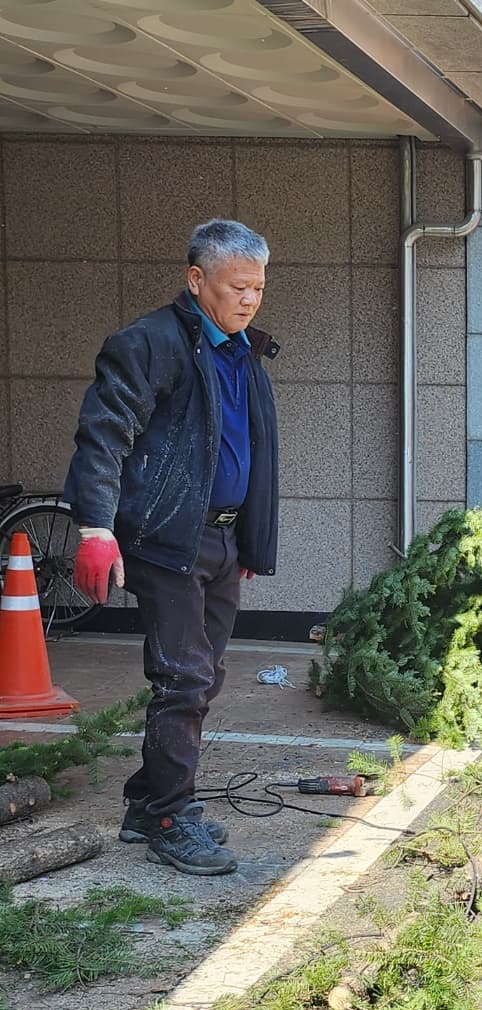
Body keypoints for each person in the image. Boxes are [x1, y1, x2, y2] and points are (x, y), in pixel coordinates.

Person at [64, 220, 280, 878]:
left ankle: (143, 800)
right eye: (237, 285)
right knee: (182, 677)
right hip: (165, 538)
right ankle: (168, 816)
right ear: (196, 280)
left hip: (219, 539)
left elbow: (251, 448)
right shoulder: (150, 342)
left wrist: (249, 536)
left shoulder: (243, 350)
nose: (249, 299)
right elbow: (103, 435)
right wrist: (95, 528)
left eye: (259, 288)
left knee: (204, 676)